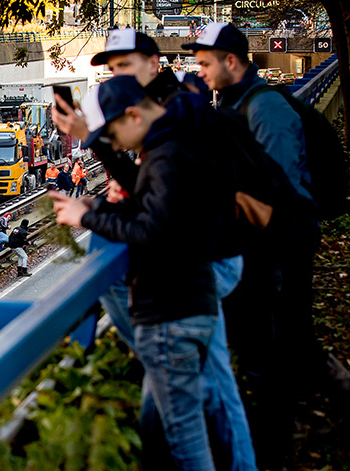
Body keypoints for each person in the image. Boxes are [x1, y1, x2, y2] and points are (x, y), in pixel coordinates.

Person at [54, 29, 258, 471]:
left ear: (152, 63)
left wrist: (91, 210)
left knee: (206, 395)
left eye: (124, 66)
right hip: (193, 274)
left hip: (199, 268)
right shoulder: (164, 118)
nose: (117, 75)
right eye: (112, 70)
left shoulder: (177, 113)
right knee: (181, 398)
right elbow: (157, 197)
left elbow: (160, 217)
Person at [186, 23, 328, 468]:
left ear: (232, 62)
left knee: (281, 348)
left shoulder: (264, 108)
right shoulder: (232, 103)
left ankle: (282, 448)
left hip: (279, 246)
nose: (201, 72)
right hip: (260, 246)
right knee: (279, 348)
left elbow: (276, 191)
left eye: (206, 64)